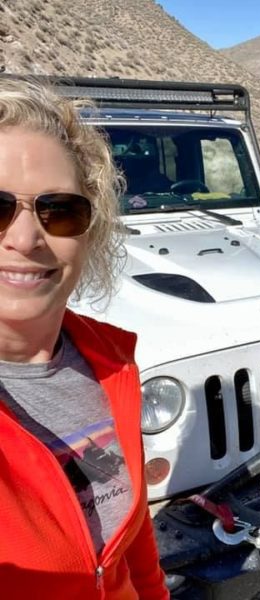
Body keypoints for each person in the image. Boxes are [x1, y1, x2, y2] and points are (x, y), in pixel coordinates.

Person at [0, 76, 169, 599]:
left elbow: (134, 531)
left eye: (60, 211)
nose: (26, 239)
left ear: (89, 229)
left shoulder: (111, 362)